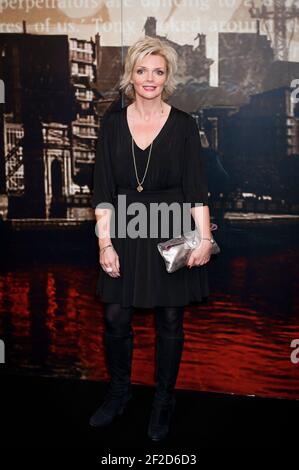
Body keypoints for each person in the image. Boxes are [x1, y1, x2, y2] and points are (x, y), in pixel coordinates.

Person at [89, 36, 214, 441]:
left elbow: (196, 189)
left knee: (171, 318)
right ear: (131, 75)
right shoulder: (111, 124)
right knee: (115, 316)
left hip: (172, 225)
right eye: (142, 70)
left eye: (158, 71)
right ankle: (119, 393)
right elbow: (103, 193)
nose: (149, 79)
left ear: (167, 77)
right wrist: (105, 244)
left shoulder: (182, 125)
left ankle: (163, 401)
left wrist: (205, 239)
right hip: (125, 226)